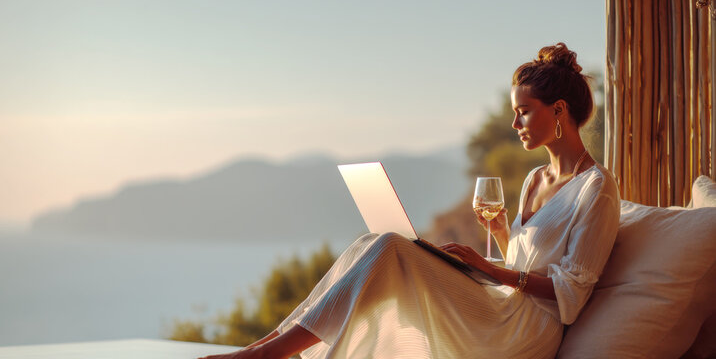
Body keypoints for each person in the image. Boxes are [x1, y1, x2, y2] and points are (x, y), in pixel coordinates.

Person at [199, 42, 620, 359]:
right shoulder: (534, 178)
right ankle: (265, 347)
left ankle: (262, 355)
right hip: (500, 302)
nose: (514, 124)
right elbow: (522, 264)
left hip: (527, 330)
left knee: (389, 247)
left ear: (559, 110)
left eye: (524, 112)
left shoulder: (595, 188)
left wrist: (488, 268)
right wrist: (499, 233)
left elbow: (570, 294)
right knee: (372, 242)